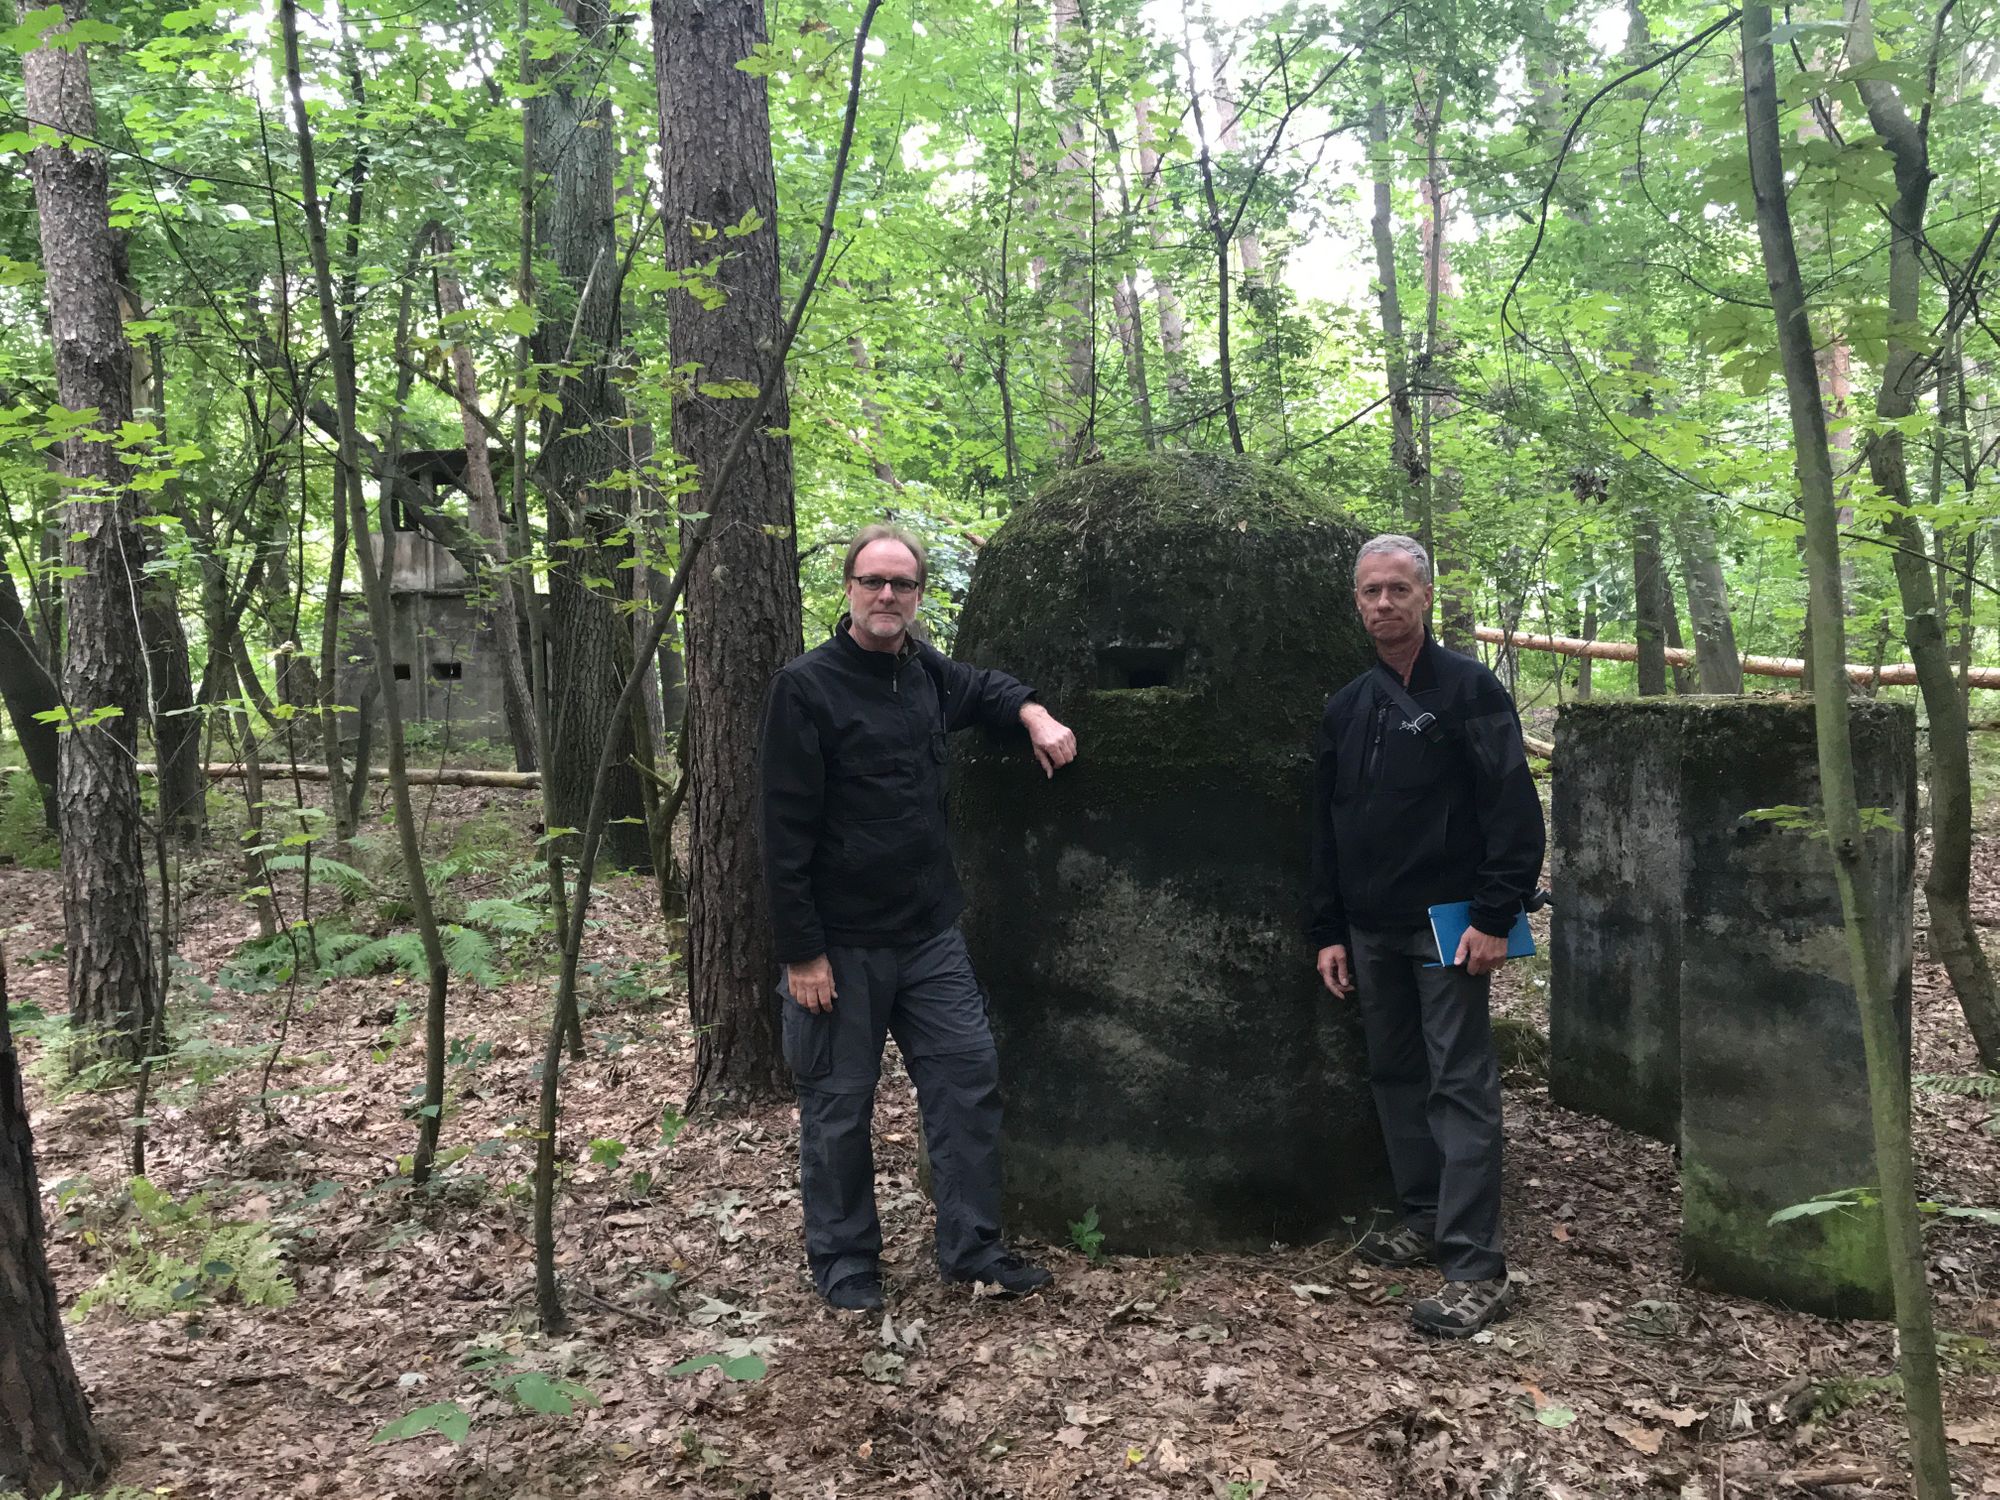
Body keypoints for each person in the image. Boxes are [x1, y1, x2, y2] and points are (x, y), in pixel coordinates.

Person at [758, 523, 1079, 1312]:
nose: (887, 595)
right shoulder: (806, 687)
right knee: (839, 1108)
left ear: (918, 595)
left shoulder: (924, 673)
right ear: (848, 589)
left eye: (902, 584)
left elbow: (985, 687)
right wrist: (802, 954)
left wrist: (1033, 714)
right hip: (841, 946)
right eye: (873, 581)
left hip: (929, 936)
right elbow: (781, 830)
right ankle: (846, 1263)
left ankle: (974, 1249)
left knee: (967, 1082)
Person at [1308, 533, 1545, 1338]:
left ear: (1425, 595)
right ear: (1356, 601)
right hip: (1370, 928)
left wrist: (1494, 916)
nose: (1384, 603)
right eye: (1370, 591)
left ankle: (1475, 1267)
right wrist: (1329, 928)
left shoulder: (1470, 690)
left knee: (1459, 1085)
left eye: (1398, 590)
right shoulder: (1347, 707)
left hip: (1451, 925)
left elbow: (1512, 808)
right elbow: (1326, 827)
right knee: (1396, 1075)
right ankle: (1424, 1216)